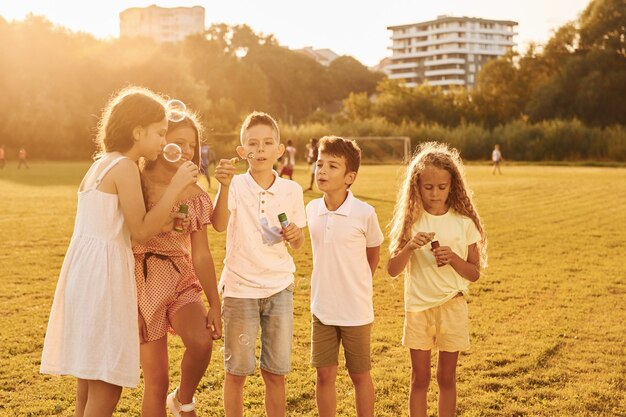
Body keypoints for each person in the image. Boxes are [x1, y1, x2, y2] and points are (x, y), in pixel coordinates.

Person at [40, 86, 199, 417]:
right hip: (105, 280)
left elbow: (121, 224)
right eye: (158, 133)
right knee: (107, 387)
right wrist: (176, 186)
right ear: (137, 131)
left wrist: (166, 223)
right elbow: (141, 228)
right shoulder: (126, 167)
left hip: (83, 276)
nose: (162, 141)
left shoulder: (100, 165)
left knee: (88, 383)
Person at [212, 111, 306, 417]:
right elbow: (218, 224)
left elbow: (299, 241)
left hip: (279, 289)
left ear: (279, 150)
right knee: (237, 371)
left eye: (268, 143)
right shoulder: (236, 185)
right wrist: (224, 186)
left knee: (276, 372)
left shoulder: (291, 190)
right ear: (243, 152)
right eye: (253, 143)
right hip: (240, 290)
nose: (261, 149)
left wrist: (294, 234)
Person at [386, 141, 487, 417]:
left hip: (452, 307)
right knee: (420, 379)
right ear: (417, 187)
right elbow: (392, 270)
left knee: (446, 378)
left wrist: (453, 258)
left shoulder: (463, 223)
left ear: (452, 186)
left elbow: (474, 273)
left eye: (441, 187)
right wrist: (409, 247)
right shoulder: (412, 221)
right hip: (418, 309)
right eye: (428, 187)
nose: (434, 193)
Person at [134, 112, 222, 417]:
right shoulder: (137, 184)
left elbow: (201, 254)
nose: (186, 150)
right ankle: (169, 399)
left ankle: (183, 399)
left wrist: (215, 303)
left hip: (180, 277)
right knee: (156, 382)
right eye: (178, 142)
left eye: (192, 145)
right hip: (142, 283)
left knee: (201, 342)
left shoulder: (195, 194)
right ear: (161, 142)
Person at [306, 136, 384, 417]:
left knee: (360, 376)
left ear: (350, 176)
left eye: (332, 166)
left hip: (356, 311)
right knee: (324, 376)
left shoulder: (365, 213)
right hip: (322, 309)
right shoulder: (311, 209)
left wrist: (358, 281)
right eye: (320, 164)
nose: (323, 171)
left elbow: (373, 253)